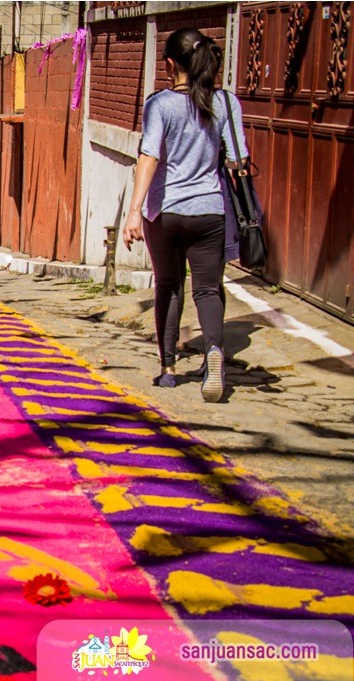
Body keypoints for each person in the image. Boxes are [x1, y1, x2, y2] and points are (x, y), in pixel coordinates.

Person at [122, 28, 246, 403]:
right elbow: (238, 159)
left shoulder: (160, 103)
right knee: (207, 289)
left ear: (170, 64)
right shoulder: (225, 102)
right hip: (209, 210)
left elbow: (149, 156)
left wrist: (133, 212)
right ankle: (213, 354)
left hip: (166, 212)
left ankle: (169, 368)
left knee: (168, 285)